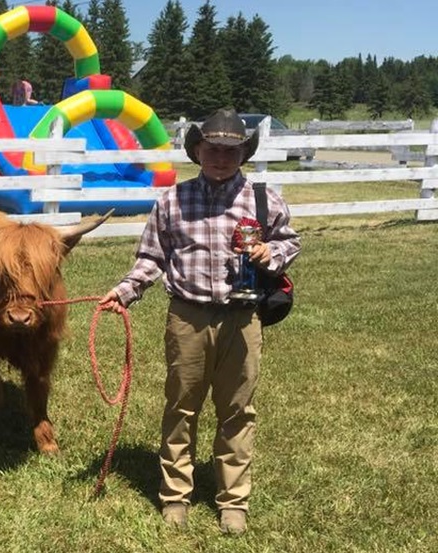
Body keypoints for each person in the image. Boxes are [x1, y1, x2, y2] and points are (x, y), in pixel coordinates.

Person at [98, 108, 301, 535]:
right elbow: (151, 259)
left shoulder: (263, 198)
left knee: (238, 411)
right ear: (198, 150)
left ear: (243, 153)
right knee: (180, 407)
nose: (222, 157)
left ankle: (233, 501)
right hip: (187, 318)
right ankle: (176, 495)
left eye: (231, 150)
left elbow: (289, 240)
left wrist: (272, 254)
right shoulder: (173, 200)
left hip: (242, 319)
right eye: (213, 148)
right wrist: (125, 292)